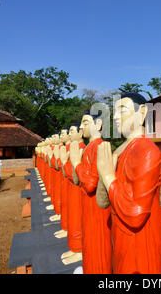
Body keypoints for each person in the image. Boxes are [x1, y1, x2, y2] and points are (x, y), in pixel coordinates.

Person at [97, 93, 161, 274]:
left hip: (140, 238)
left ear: (142, 112)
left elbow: (136, 214)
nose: (115, 116)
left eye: (122, 110)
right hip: (120, 233)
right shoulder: (121, 150)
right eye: (114, 111)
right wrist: (105, 175)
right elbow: (102, 201)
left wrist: (107, 177)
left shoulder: (147, 151)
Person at [69, 113, 112, 274]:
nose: (82, 127)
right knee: (88, 242)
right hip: (87, 208)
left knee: (97, 246)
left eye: (85, 122)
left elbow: (91, 184)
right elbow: (78, 179)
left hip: (96, 210)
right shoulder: (89, 147)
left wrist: (76, 163)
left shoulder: (99, 147)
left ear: (98, 123)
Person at [58, 124, 86, 265]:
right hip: (69, 186)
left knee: (76, 216)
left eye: (71, 131)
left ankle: (78, 248)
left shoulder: (82, 149)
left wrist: (64, 162)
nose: (68, 135)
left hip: (78, 189)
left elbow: (75, 175)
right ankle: (73, 244)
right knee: (70, 213)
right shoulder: (72, 148)